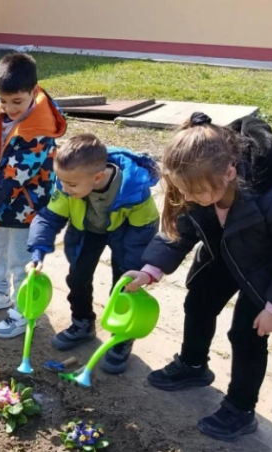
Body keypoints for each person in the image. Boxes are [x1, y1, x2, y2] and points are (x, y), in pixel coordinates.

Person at [124, 113, 272, 442]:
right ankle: (194, 366)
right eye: (182, 191)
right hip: (227, 250)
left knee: (247, 333)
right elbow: (179, 226)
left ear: (230, 172)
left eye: (195, 194)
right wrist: (151, 268)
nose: (189, 198)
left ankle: (240, 408)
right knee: (198, 301)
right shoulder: (194, 180)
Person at [26, 134, 159, 373]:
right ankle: (82, 323)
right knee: (77, 278)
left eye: (71, 185)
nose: (64, 189)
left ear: (98, 177)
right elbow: (49, 217)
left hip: (127, 234)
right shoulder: (68, 185)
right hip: (87, 230)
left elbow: (143, 232)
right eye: (62, 182)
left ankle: (121, 337)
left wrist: (135, 270)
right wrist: (37, 251)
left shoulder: (134, 190)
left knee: (122, 286)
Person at [0, 52, 66, 338]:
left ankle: (22, 311)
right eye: (4, 101)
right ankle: (0, 291)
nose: (9, 108)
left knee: (20, 260)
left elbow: (12, 177)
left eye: (17, 102)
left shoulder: (39, 131)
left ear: (34, 91)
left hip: (28, 208)